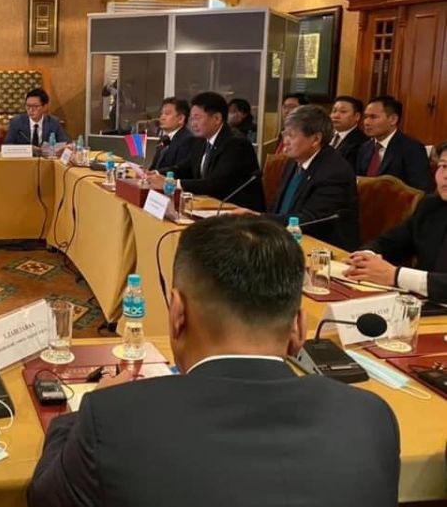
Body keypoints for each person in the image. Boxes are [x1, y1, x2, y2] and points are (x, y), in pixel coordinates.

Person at [27, 216, 400, 507]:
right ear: (299, 328)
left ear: (177, 313)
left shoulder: (110, 418)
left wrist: (77, 416)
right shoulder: (371, 416)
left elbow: (43, 498)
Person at [345, 141, 447, 303]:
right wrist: (366, 257)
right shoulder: (431, 206)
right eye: (443, 166)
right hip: (417, 303)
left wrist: (395, 275)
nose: (445, 175)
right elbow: (392, 242)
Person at [147, 91, 265, 212]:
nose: (193, 124)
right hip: (209, 207)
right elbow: (184, 168)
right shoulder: (201, 141)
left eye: (197, 118)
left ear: (217, 118)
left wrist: (171, 183)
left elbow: (214, 184)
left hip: (239, 213)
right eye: (191, 119)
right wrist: (154, 174)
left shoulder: (236, 144)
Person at [263, 105, 360, 250]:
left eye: (291, 135)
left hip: (322, 250)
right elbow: (280, 208)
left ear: (315, 139)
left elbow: (310, 221)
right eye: (285, 134)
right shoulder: (293, 161)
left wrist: (259, 218)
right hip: (284, 240)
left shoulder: (334, 171)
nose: (285, 141)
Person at [355, 95, 432, 192]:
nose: (366, 122)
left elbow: (420, 189)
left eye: (373, 117)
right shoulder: (365, 148)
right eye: (365, 117)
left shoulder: (412, 148)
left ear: (393, 119)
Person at [149, 97, 196, 171]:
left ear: (181, 119)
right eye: (161, 114)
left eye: (167, 114)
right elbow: (154, 167)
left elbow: (180, 169)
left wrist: (156, 173)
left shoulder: (188, 140)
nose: (162, 117)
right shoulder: (164, 139)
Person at [329, 95, 368, 169]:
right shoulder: (323, 136)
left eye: (343, 112)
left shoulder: (362, 143)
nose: (336, 116)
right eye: (334, 111)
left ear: (357, 116)